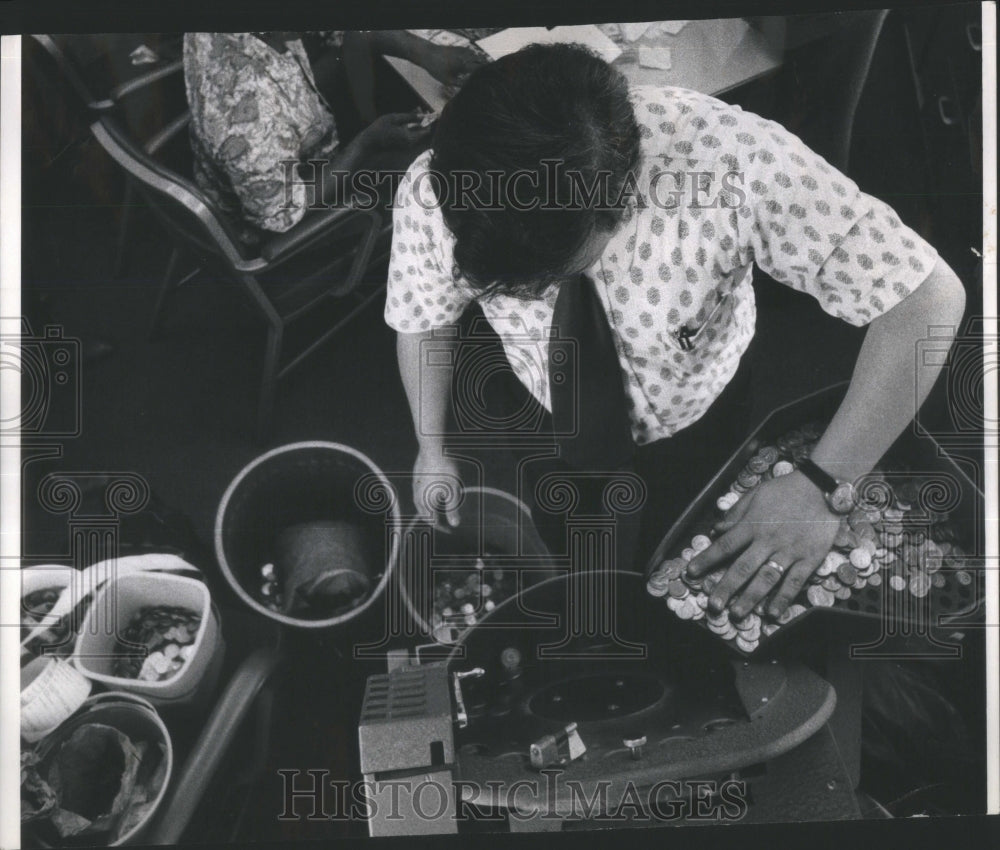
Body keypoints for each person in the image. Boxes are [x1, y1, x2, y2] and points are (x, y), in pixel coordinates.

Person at [384, 43, 966, 621]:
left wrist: (824, 482)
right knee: (567, 530)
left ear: (618, 209)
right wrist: (430, 447)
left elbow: (929, 298)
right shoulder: (435, 187)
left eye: (552, 276)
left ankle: (657, 618)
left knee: (683, 545)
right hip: (545, 406)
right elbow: (426, 317)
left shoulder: (733, 160)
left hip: (698, 408)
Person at [182, 31, 483, 239]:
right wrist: (366, 144)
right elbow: (284, 212)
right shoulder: (246, 104)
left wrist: (427, 52)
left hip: (292, 144)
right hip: (293, 217)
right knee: (453, 162)